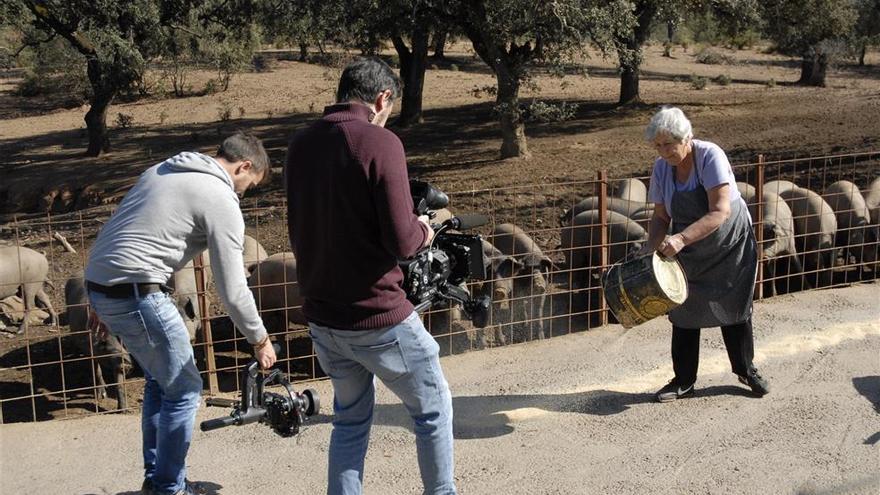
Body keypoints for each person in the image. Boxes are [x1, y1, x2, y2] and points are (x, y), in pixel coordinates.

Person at [284, 57, 456, 495]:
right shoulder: (380, 142)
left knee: (350, 421)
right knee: (432, 409)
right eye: (389, 108)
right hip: (378, 316)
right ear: (382, 99)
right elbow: (402, 240)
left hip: (323, 317)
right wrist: (427, 229)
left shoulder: (300, 144)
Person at [85, 132, 277, 495]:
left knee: (163, 381)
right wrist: (260, 339)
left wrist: (96, 292)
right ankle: (169, 488)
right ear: (245, 165)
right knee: (186, 389)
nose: (242, 194)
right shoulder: (220, 197)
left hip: (103, 285)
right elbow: (233, 288)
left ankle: (158, 478)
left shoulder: (161, 171)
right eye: (247, 185)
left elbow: (116, 230)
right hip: (138, 293)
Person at [641, 106, 770, 402]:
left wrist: (681, 239)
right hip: (690, 244)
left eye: (668, 144)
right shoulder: (662, 167)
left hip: (728, 243)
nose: (663, 152)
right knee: (683, 308)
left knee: (734, 305)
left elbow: (720, 211)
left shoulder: (709, 156)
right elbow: (660, 217)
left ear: (686, 138)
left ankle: (746, 370)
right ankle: (683, 381)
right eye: (657, 145)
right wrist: (651, 250)